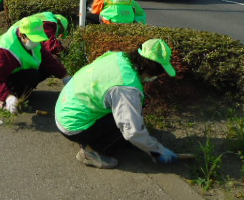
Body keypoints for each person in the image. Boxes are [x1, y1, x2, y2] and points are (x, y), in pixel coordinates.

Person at [55, 39, 178, 169]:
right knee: (127, 124)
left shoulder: (118, 56)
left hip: (66, 106)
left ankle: (113, 139)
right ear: (150, 70)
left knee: (131, 111)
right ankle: (92, 152)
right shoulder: (127, 86)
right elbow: (132, 131)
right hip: (73, 126)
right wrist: (157, 150)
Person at [0, 16, 71, 113]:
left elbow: (48, 59)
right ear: (22, 35)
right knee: (32, 75)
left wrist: (64, 76)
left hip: (14, 72)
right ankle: (1, 98)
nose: (37, 42)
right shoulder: (6, 51)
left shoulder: (32, 42)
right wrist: (7, 96)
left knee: (46, 68)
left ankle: (18, 92)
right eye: (33, 38)